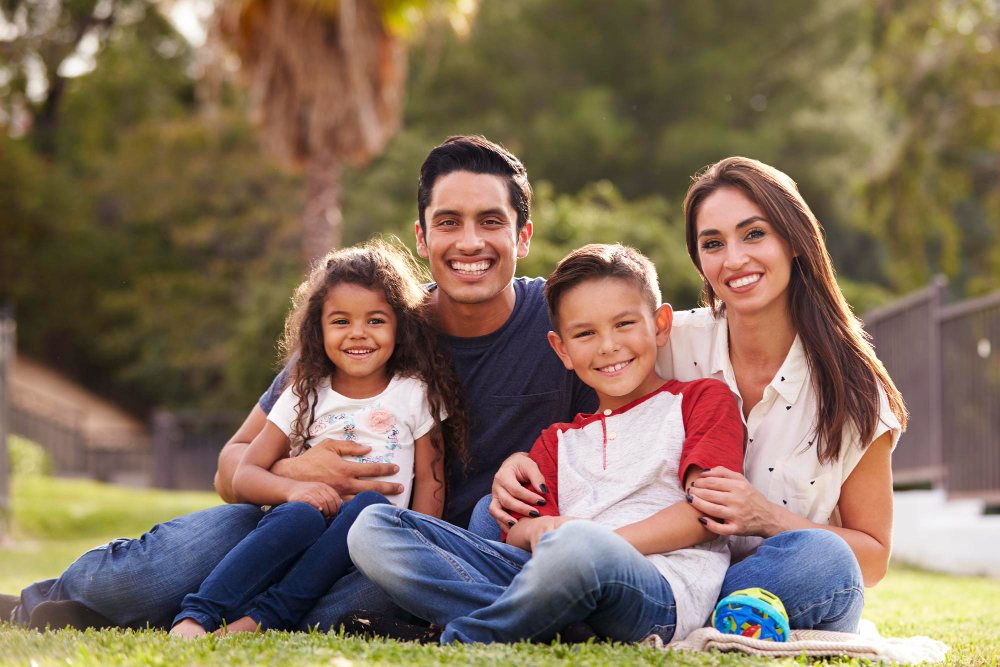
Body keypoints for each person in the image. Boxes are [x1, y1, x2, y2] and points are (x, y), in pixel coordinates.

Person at [4, 135, 597, 631]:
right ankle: (35, 605)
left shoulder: (564, 321)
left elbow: (636, 372)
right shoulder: (370, 329)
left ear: (521, 237)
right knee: (161, 568)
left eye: (490, 222)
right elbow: (228, 469)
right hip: (296, 522)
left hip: (416, 555)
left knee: (360, 603)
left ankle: (224, 614)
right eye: (449, 223)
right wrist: (294, 472)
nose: (469, 242)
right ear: (422, 238)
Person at [486, 156, 907, 634]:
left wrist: (764, 516)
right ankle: (616, 608)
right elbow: (594, 414)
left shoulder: (854, 389)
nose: (734, 259)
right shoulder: (669, 339)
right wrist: (520, 461)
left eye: (754, 234)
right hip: (654, 562)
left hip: (760, 581)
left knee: (823, 560)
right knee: (495, 514)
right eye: (713, 243)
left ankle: (629, 614)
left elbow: (871, 558)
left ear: (794, 240)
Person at [344, 243, 746, 645]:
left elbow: (705, 513)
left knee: (573, 548)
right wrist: (546, 531)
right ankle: (553, 627)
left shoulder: (701, 399)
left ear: (659, 325)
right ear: (562, 349)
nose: (607, 345)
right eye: (585, 333)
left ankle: (461, 638)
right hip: (550, 574)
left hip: (657, 587)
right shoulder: (556, 441)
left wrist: (587, 541)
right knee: (373, 527)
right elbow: (519, 533)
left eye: (624, 324)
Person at [170, 241, 468, 637]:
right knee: (299, 514)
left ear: (401, 325)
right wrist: (294, 490)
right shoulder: (304, 392)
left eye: (376, 320)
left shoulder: (416, 392)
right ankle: (197, 617)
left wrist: (419, 551)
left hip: (370, 543)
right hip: (301, 528)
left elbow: (432, 482)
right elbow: (244, 475)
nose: (358, 333)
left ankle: (260, 620)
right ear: (318, 328)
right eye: (341, 321)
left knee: (370, 506)